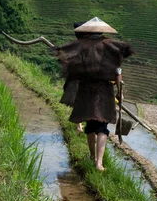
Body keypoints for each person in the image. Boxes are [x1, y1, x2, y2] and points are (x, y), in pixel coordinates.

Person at [55, 17, 134, 171]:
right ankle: (99, 163)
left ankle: (92, 157)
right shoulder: (112, 47)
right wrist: (120, 92)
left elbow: (67, 61)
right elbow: (118, 73)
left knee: (91, 125)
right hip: (105, 91)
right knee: (102, 126)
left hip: (86, 90)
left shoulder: (81, 47)